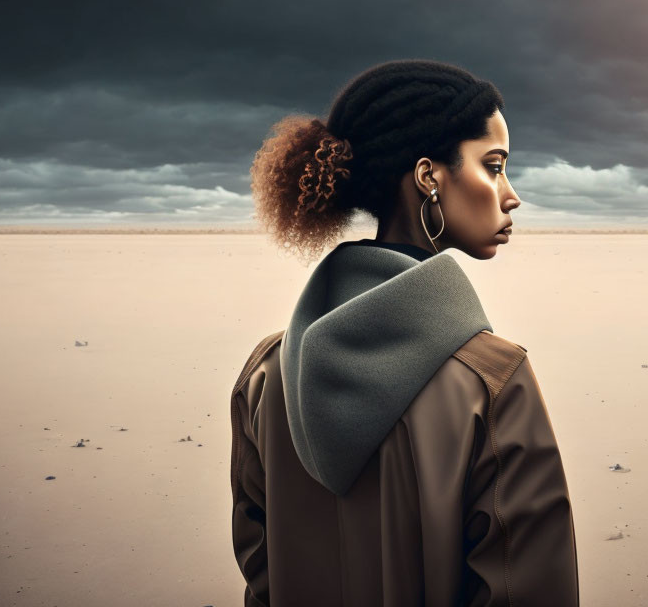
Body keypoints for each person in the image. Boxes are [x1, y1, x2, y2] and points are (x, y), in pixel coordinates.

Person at [230, 59, 579, 606]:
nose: (510, 195)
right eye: (494, 166)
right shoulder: (492, 382)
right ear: (427, 178)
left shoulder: (265, 376)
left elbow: (260, 573)